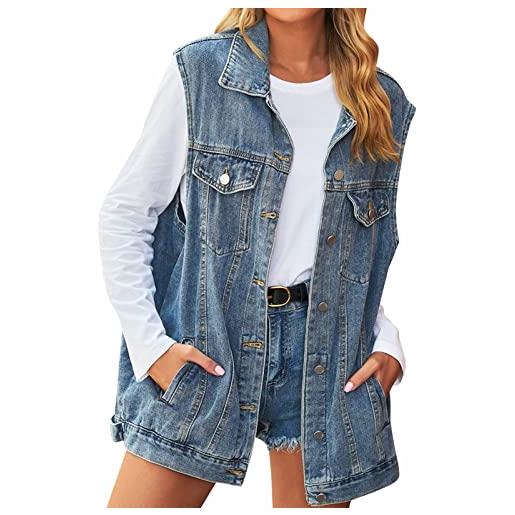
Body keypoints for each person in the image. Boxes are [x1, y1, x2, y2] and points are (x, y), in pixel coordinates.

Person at [98, 8, 415, 508]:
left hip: (325, 364)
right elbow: (126, 214)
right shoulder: (203, 74)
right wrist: (151, 349)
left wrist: (387, 342)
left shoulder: (379, 101)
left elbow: (356, 256)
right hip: (211, 345)